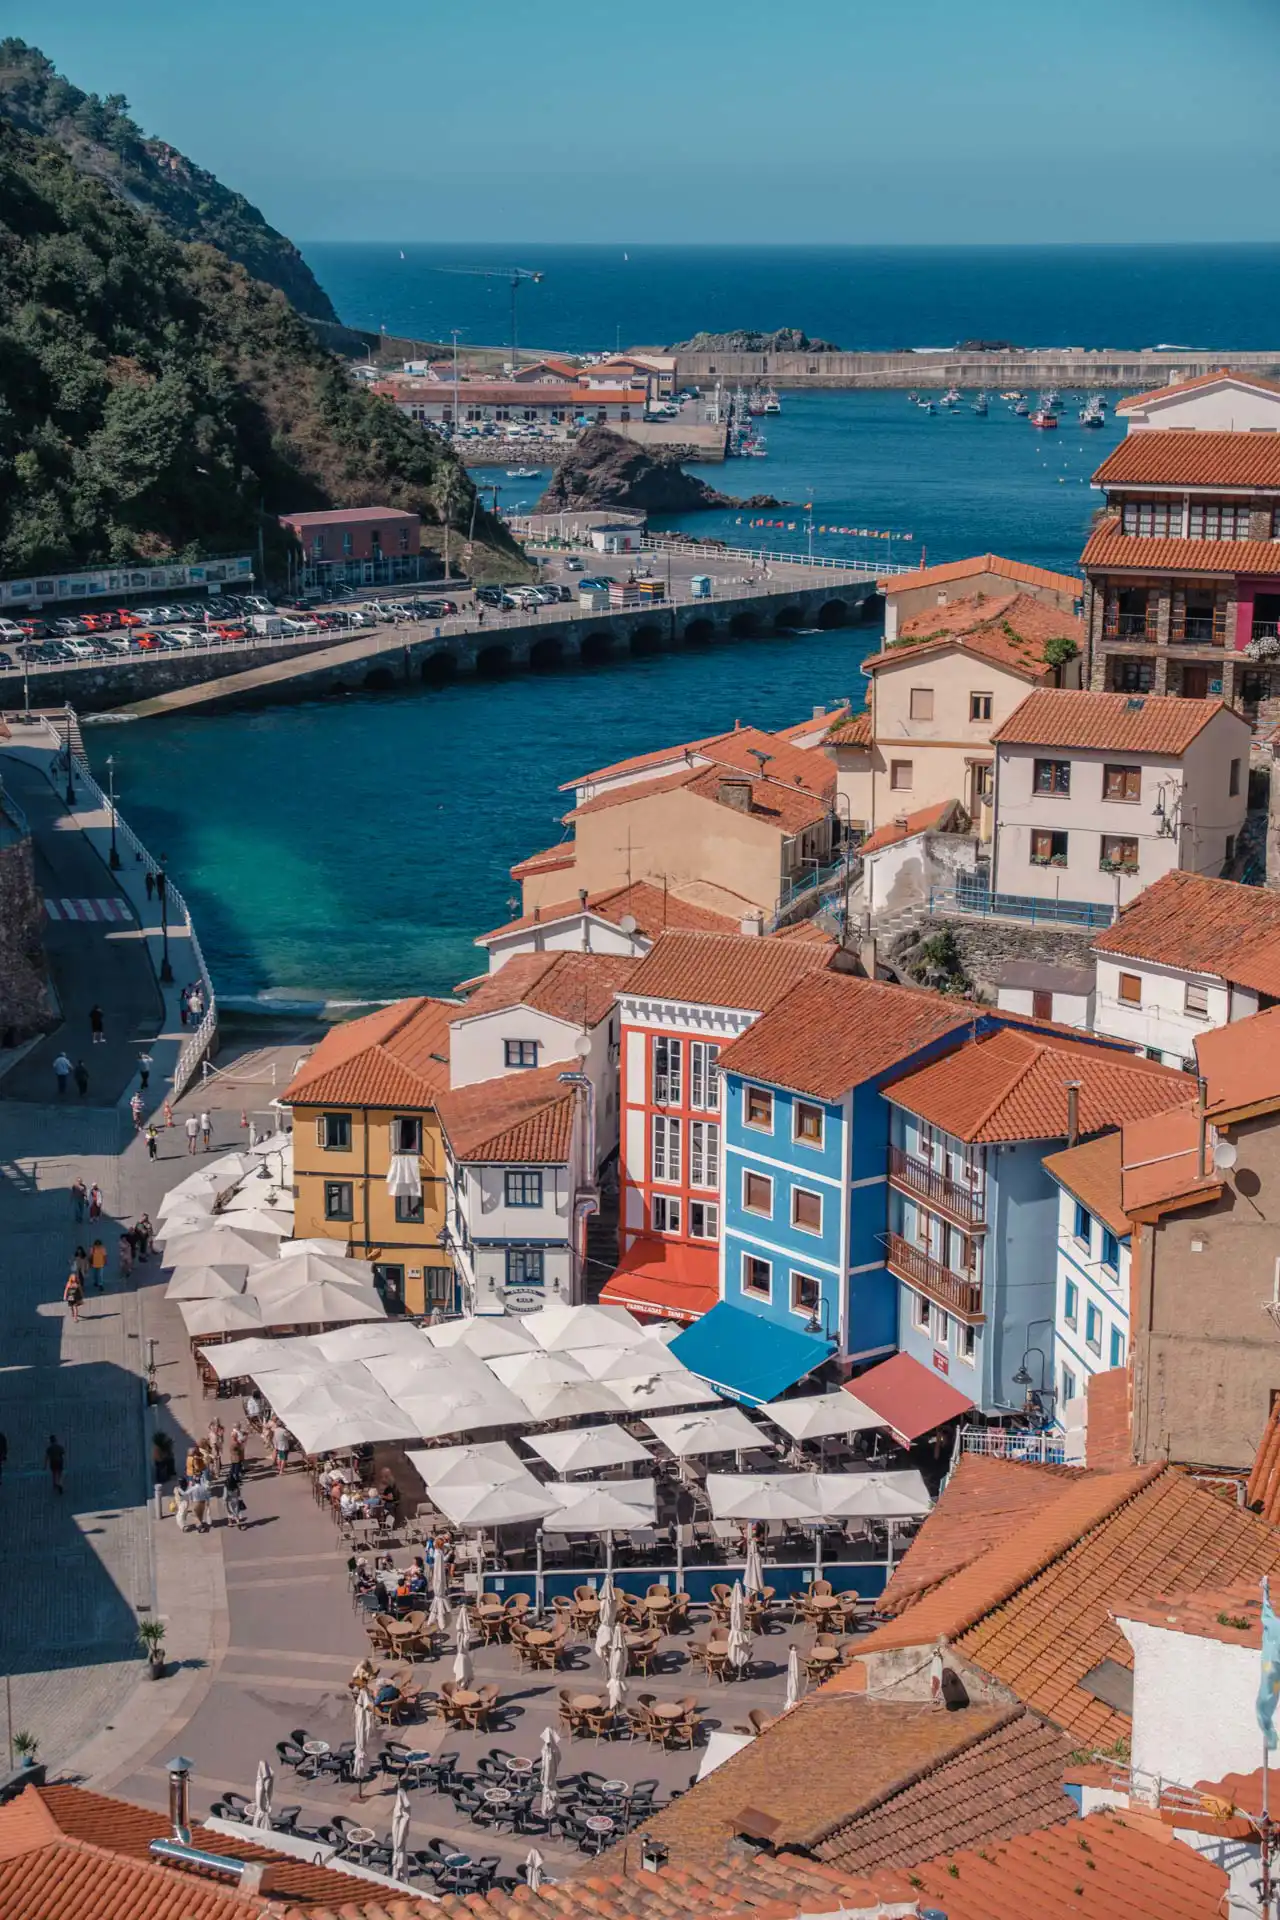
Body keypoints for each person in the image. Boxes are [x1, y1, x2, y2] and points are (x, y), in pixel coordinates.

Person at [224, 1463, 247, 1531]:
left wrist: (224, 1501)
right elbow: (239, 1494)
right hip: (235, 1500)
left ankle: (230, 1522)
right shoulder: (236, 1487)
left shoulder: (226, 1487)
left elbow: (225, 1496)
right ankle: (238, 1522)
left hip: (229, 1500)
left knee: (229, 1512)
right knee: (236, 1512)